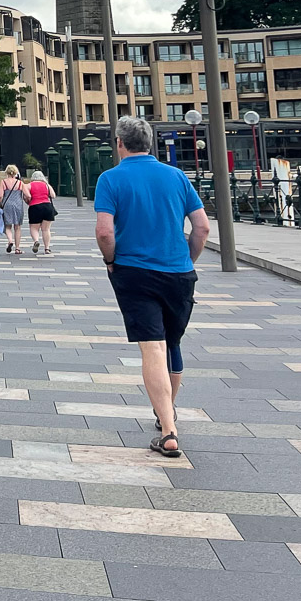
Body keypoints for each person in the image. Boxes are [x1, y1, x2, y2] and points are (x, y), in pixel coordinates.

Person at [95, 115, 210, 458]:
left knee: (152, 347)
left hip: (135, 271)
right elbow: (202, 228)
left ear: (119, 143)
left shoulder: (111, 179)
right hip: (179, 272)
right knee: (171, 342)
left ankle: (169, 430)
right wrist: (187, 260)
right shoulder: (176, 176)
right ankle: (167, 414)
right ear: (149, 143)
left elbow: (104, 232)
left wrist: (110, 261)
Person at [0, 165, 29, 254]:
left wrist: (0, 204)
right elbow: (28, 195)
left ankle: (10, 240)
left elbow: (0, 196)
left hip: (7, 205)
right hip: (18, 205)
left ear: (6, 172)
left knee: (7, 225)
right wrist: (27, 201)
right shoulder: (20, 183)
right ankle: (17, 248)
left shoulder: (3, 182)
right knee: (17, 227)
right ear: (16, 173)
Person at [27, 170, 57, 253]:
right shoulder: (47, 185)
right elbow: (53, 196)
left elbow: (26, 196)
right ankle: (47, 248)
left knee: (34, 227)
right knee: (46, 229)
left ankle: (36, 241)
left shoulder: (29, 185)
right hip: (47, 207)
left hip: (35, 207)